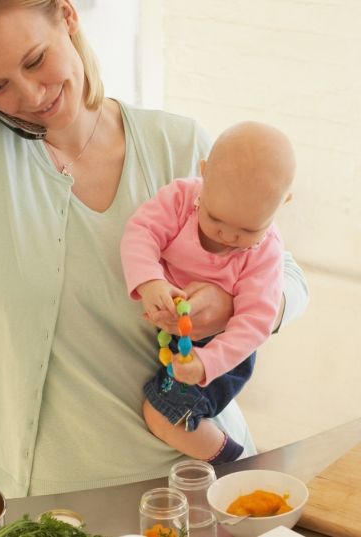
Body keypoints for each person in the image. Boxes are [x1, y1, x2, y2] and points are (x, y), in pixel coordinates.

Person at [0, 0, 308, 498]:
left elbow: (288, 278)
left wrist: (231, 304)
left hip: (194, 477)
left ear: (67, 18)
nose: (29, 95)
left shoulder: (176, 146)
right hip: (42, 499)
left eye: (35, 60)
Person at [120, 121, 294, 466]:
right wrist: (149, 280)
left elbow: (255, 323)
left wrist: (206, 362)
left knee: (163, 414)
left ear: (282, 204)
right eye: (215, 219)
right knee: (166, 412)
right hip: (179, 340)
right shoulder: (181, 200)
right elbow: (141, 233)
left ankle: (233, 461)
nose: (228, 237)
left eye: (248, 230)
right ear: (204, 175)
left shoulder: (266, 251)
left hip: (224, 351)